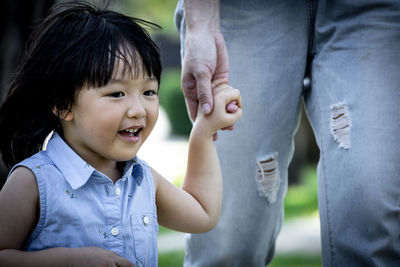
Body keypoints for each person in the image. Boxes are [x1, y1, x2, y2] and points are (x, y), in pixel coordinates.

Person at [0, 1, 242, 266]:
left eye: (149, 92)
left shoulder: (142, 180)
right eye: (117, 94)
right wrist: (67, 260)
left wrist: (204, 132)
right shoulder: (34, 181)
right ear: (63, 104)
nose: (139, 110)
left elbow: (202, 214)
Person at [175, 0, 400, 266]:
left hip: (371, 11)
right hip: (242, 9)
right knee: (228, 242)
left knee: (371, 221)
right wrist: (201, 27)